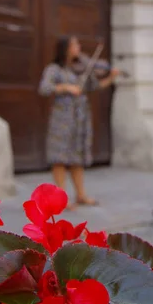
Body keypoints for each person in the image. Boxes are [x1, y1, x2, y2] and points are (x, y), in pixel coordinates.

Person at [38, 35, 120, 209]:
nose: (79, 47)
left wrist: (112, 77)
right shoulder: (54, 69)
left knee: (77, 156)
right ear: (65, 48)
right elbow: (44, 88)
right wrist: (66, 87)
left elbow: (95, 86)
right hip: (62, 118)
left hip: (81, 117)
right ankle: (61, 198)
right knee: (60, 157)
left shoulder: (82, 69)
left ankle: (81, 195)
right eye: (75, 44)